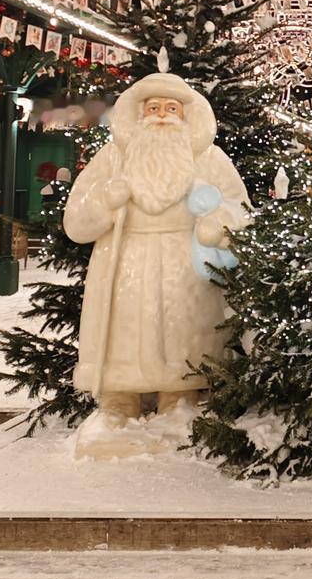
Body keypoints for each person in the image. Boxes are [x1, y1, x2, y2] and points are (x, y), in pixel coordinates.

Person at [64, 70, 252, 458]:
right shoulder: (114, 157)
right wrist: (103, 200)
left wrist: (221, 222)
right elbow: (76, 221)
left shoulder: (210, 158)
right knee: (125, 326)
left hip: (186, 261)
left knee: (183, 329)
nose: (162, 115)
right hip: (124, 261)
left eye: (171, 108)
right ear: (138, 114)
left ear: (187, 116)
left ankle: (179, 396)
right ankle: (119, 399)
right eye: (153, 108)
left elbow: (241, 208)